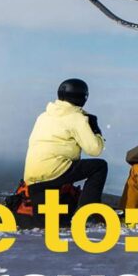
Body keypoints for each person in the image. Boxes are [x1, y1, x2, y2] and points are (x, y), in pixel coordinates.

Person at [23, 78, 107, 209]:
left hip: (32, 177)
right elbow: (95, 150)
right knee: (99, 166)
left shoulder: (43, 116)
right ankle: (89, 212)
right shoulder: (77, 118)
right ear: (83, 97)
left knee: (51, 214)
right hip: (54, 171)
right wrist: (96, 130)